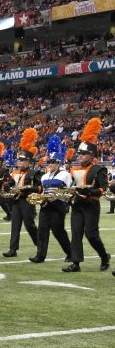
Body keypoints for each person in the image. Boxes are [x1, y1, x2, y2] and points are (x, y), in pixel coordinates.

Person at [63, 117, 110, 273]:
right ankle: (76, 263)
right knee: (76, 234)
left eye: (83, 154)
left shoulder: (99, 169)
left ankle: (104, 256)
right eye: (79, 153)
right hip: (77, 204)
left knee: (91, 235)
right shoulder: (74, 170)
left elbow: (104, 188)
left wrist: (91, 191)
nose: (80, 156)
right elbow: (70, 185)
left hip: (91, 204)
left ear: (91, 155)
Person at [29, 137, 73, 264]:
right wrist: (40, 198)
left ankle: (70, 252)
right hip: (45, 205)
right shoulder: (44, 176)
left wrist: (58, 197)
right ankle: (40, 255)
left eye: (53, 162)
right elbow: (43, 191)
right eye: (49, 162)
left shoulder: (65, 175)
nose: (50, 164)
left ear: (58, 163)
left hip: (58, 205)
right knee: (42, 231)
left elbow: (68, 192)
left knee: (58, 231)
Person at [1, 129, 41, 258]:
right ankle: (13, 249)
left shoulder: (34, 173)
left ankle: (40, 246)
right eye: (19, 160)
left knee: (29, 225)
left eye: (22, 161)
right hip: (16, 201)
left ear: (29, 162)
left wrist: (27, 189)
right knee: (15, 225)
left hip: (27, 201)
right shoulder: (15, 172)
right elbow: (11, 183)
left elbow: (39, 188)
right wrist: (7, 185)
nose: (20, 162)